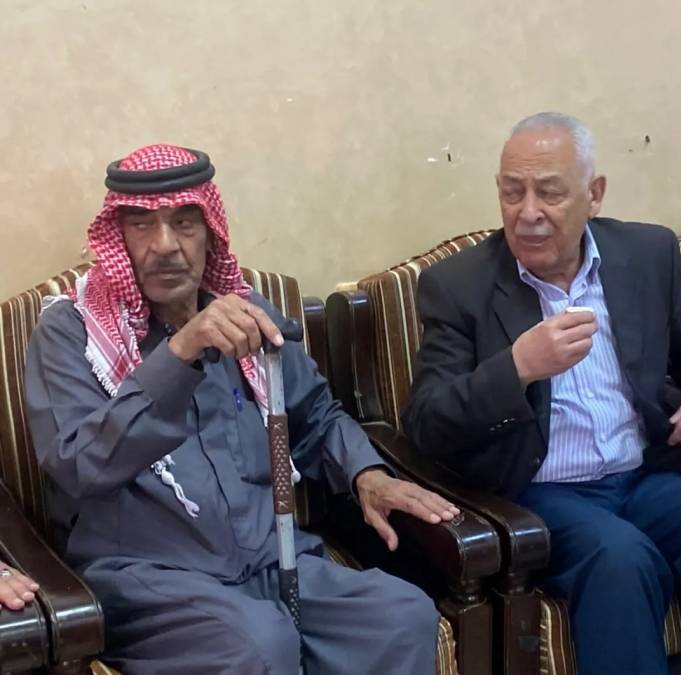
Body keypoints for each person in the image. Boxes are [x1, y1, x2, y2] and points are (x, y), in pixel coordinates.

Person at [25, 144, 457, 675]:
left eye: (185, 223)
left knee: (401, 616)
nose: (165, 245)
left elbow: (315, 415)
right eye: (142, 225)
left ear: (209, 232)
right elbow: (79, 464)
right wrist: (180, 353)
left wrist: (366, 475)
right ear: (118, 236)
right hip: (151, 577)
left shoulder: (247, 314)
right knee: (258, 645)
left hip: (269, 558)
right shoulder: (71, 333)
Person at [401, 112, 681, 675]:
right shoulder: (459, 285)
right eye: (512, 192)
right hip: (541, 490)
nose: (528, 212)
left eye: (549, 193)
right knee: (620, 560)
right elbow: (426, 421)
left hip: (645, 473)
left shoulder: (646, 254)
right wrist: (518, 368)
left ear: (594, 194)